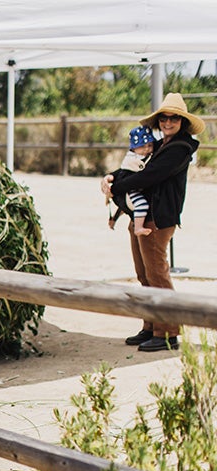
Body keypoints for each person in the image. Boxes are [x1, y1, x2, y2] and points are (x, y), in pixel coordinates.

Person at [101, 93, 204, 352]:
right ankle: (150, 325)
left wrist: (116, 188)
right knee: (144, 274)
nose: (168, 122)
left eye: (174, 118)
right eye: (164, 117)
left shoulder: (180, 148)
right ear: (159, 121)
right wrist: (111, 178)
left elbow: (150, 177)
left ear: (182, 121)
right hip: (144, 217)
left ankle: (167, 333)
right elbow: (134, 166)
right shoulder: (160, 145)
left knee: (157, 275)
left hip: (157, 219)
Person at [107, 126, 155, 236]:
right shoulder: (133, 159)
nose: (147, 149)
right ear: (134, 148)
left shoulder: (144, 156)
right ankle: (138, 227)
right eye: (142, 146)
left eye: (150, 145)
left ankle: (115, 219)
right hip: (132, 189)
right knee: (141, 204)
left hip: (133, 188)